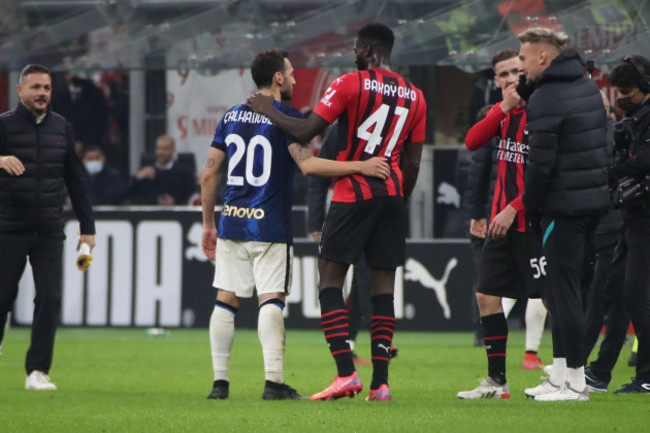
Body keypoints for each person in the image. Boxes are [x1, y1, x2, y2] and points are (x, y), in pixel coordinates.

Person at [247, 23, 427, 402]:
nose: (353, 54)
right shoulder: (416, 95)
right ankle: (380, 384)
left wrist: (269, 110)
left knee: (329, 282)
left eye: (356, 49)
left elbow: (308, 129)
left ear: (365, 49)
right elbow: (413, 163)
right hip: (392, 193)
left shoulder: (350, 83)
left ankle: (346, 373)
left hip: (352, 193)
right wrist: (398, 199)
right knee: (383, 291)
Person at [200, 49, 390, 401]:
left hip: (232, 224)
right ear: (277, 78)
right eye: (291, 74)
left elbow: (209, 173)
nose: (295, 79)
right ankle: (273, 383)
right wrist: (360, 167)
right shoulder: (286, 118)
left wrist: (208, 223)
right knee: (271, 300)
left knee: (225, 300)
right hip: (269, 226)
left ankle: (219, 384)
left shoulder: (230, 116)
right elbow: (310, 166)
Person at [517, 28, 610, 401]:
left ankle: (574, 380)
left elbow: (540, 162)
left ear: (542, 57)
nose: (521, 68)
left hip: (563, 205)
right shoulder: (587, 86)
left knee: (563, 292)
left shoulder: (548, 97)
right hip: (591, 204)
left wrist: (532, 205)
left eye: (523, 59)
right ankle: (559, 375)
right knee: (568, 289)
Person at [457, 49, 546, 400]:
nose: (511, 79)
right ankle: (497, 383)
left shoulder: (542, 110)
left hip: (534, 223)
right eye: (503, 75)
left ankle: (572, 375)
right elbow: (472, 141)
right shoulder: (504, 114)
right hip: (500, 224)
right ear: (496, 81)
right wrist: (503, 107)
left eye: (515, 72)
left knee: (553, 297)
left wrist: (514, 207)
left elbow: (546, 175)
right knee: (486, 296)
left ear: (526, 73)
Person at [0, 64, 95, 390]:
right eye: (36, 87)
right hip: (8, 227)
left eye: (47, 88)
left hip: (49, 229)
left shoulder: (61, 127)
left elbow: (76, 178)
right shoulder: (4, 126)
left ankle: (37, 371)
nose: (42, 93)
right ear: (20, 91)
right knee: (1, 297)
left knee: (49, 298)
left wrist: (88, 228)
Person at [606, 54, 650, 394]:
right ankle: (600, 370)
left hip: (645, 216)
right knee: (620, 290)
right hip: (633, 215)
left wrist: (616, 171)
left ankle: (647, 376)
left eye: (628, 91)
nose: (622, 97)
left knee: (636, 295)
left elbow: (642, 162)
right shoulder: (634, 120)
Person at [127, 134, 196, 205]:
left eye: (165, 149)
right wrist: (138, 177)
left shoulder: (183, 172)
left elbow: (192, 198)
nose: (161, 152)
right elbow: (129, 195)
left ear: (173, 150)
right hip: (151, 213)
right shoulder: (146, 171)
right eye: (158, 148)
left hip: (176, 213)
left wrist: (175, 202)